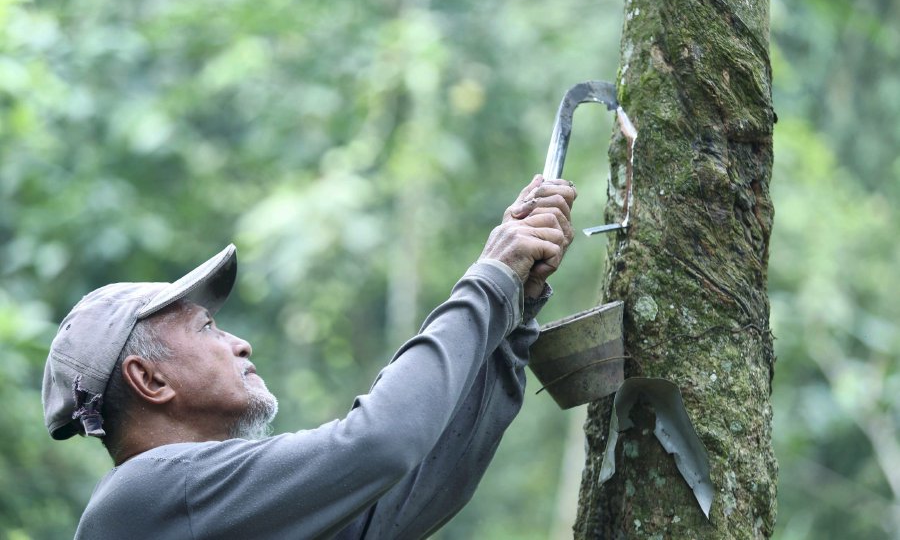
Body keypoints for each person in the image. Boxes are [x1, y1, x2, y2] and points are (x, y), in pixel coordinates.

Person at [42, 174, 577, 539]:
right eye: (207, 328)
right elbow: (379, 442)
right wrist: (488, 281)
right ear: (149, 380)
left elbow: (411, 501)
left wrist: (515, 309)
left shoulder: (213, 510)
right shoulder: (144, 492)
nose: (239, 344)